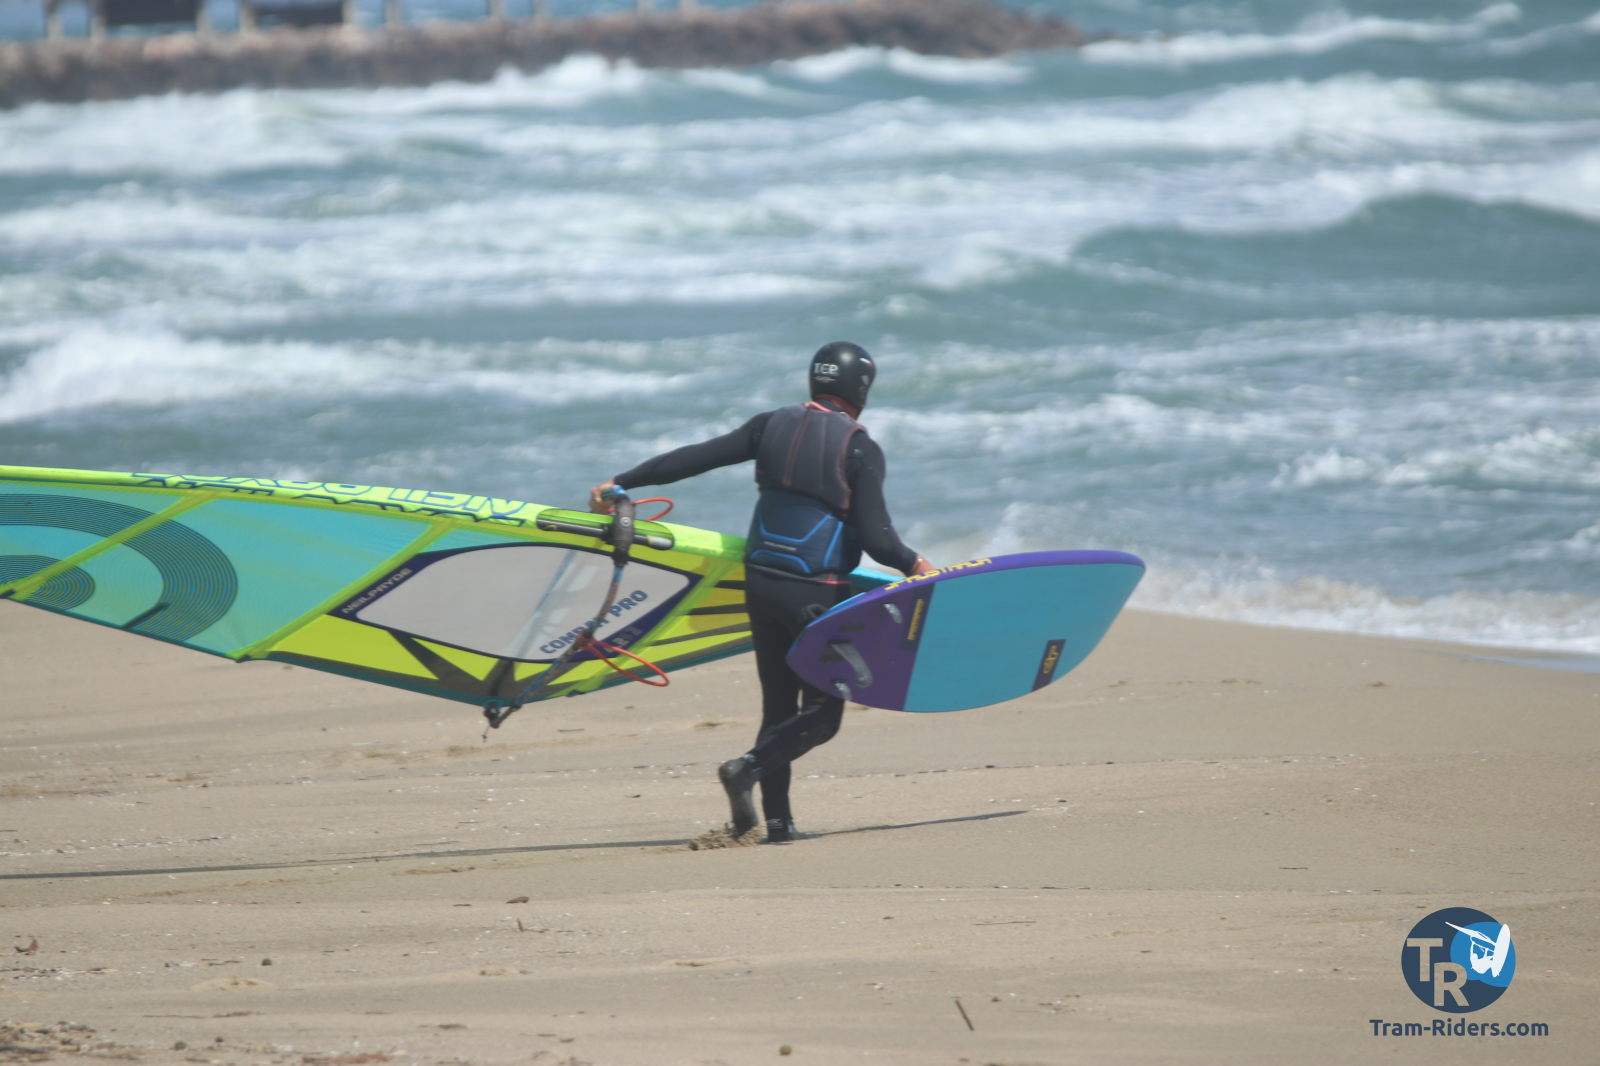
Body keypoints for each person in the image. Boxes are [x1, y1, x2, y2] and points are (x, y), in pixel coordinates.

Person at [590, 342, 933, 842]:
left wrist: (622, 482)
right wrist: (916, 565)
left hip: (761, 584)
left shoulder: (770, 425)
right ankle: (745, 769)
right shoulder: (858, 448)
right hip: (816, 596)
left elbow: (695, 458)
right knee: (821, 717)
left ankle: (777, 823)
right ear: (861, 389)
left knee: (778, 709)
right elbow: (878, 540)